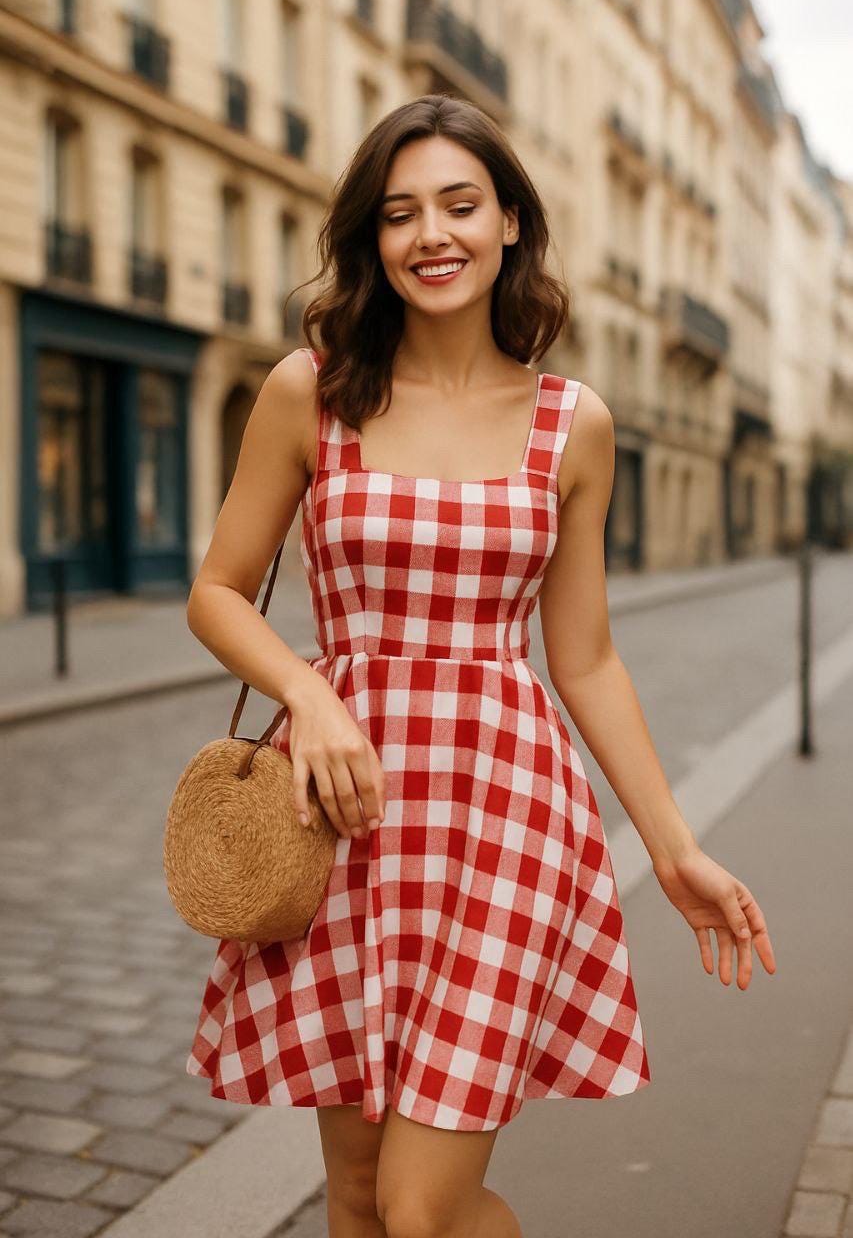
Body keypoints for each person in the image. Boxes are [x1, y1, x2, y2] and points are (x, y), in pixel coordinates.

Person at [184, 94, 776, 1238]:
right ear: (372, 238)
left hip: (506, 820)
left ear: (510, 220)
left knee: (419, 1204)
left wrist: (673, 845)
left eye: (460, 204)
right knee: (355, 1194)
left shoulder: (574, 423)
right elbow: (216, 588)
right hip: (337, 815)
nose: (430, 235)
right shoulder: (311, 390)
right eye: (400, 213)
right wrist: (309, 690)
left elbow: (587, 658)